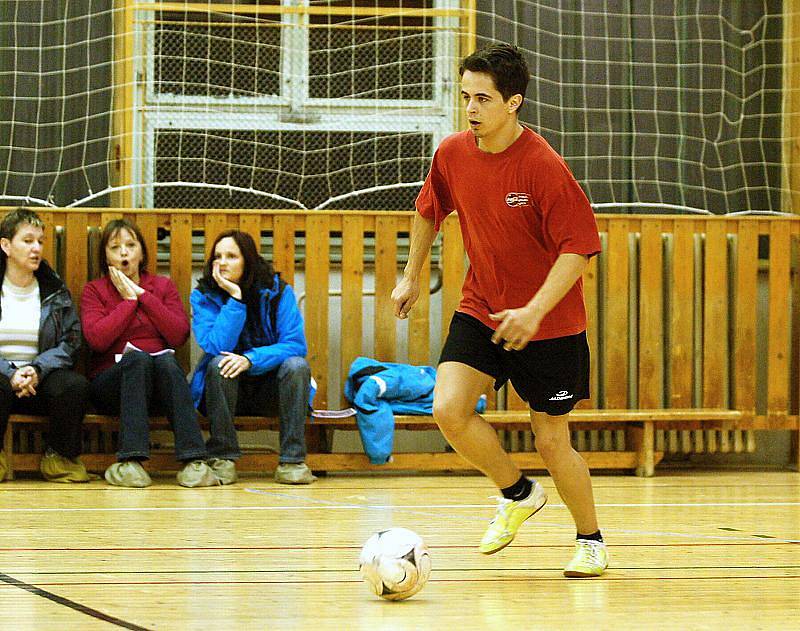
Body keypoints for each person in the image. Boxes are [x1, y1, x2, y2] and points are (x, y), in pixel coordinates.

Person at [391, 43, 608, 577]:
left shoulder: (544, 167)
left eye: (482, 99)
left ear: (513, 102)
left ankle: (591, 540)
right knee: (448, 408)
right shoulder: (452, 153)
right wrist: (410, 275)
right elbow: (428, 210)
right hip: (482, 308)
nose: (470, 109)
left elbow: (578, 249)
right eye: (464, 96)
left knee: (552, 439)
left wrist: (533, 311)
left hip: (550, 326)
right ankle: (517, 493)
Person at [81, 219, 217, 488]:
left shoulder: (162, 287)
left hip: (161, 386)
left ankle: (194, 460)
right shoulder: (94, 291)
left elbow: (178, 334)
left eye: (131, 245)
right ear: (104, 255)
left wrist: (142, 295)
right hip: (112, 386)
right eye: (115, 247)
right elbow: (97, 339)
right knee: (139, 358)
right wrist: (128, 303)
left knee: (166, 360)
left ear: (142, 252)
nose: (124, 253)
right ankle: (130, 461)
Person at [190, 230, 315, 485]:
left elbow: (295, 345)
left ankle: (292, 461)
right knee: (218, 364)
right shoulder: (204, 295)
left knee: (297, 366)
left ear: (248, 260)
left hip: (269, 389)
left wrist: (250, 359)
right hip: (222, 391)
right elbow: (215, 345)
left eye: (231, 256)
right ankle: (222, 459)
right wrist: (235, 299)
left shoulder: (278, 290)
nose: (222, 263)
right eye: (218, 256)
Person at [0, 208, 94, 483]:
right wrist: (10, 373)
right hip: (3, 378)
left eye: (40, 241)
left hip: (39, 377)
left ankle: (59, 458)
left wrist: (37, 369)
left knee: (73, 386)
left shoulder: (54, 289)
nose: (36, 248)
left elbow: (72, 339)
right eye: (27, 241)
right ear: (6, 245)